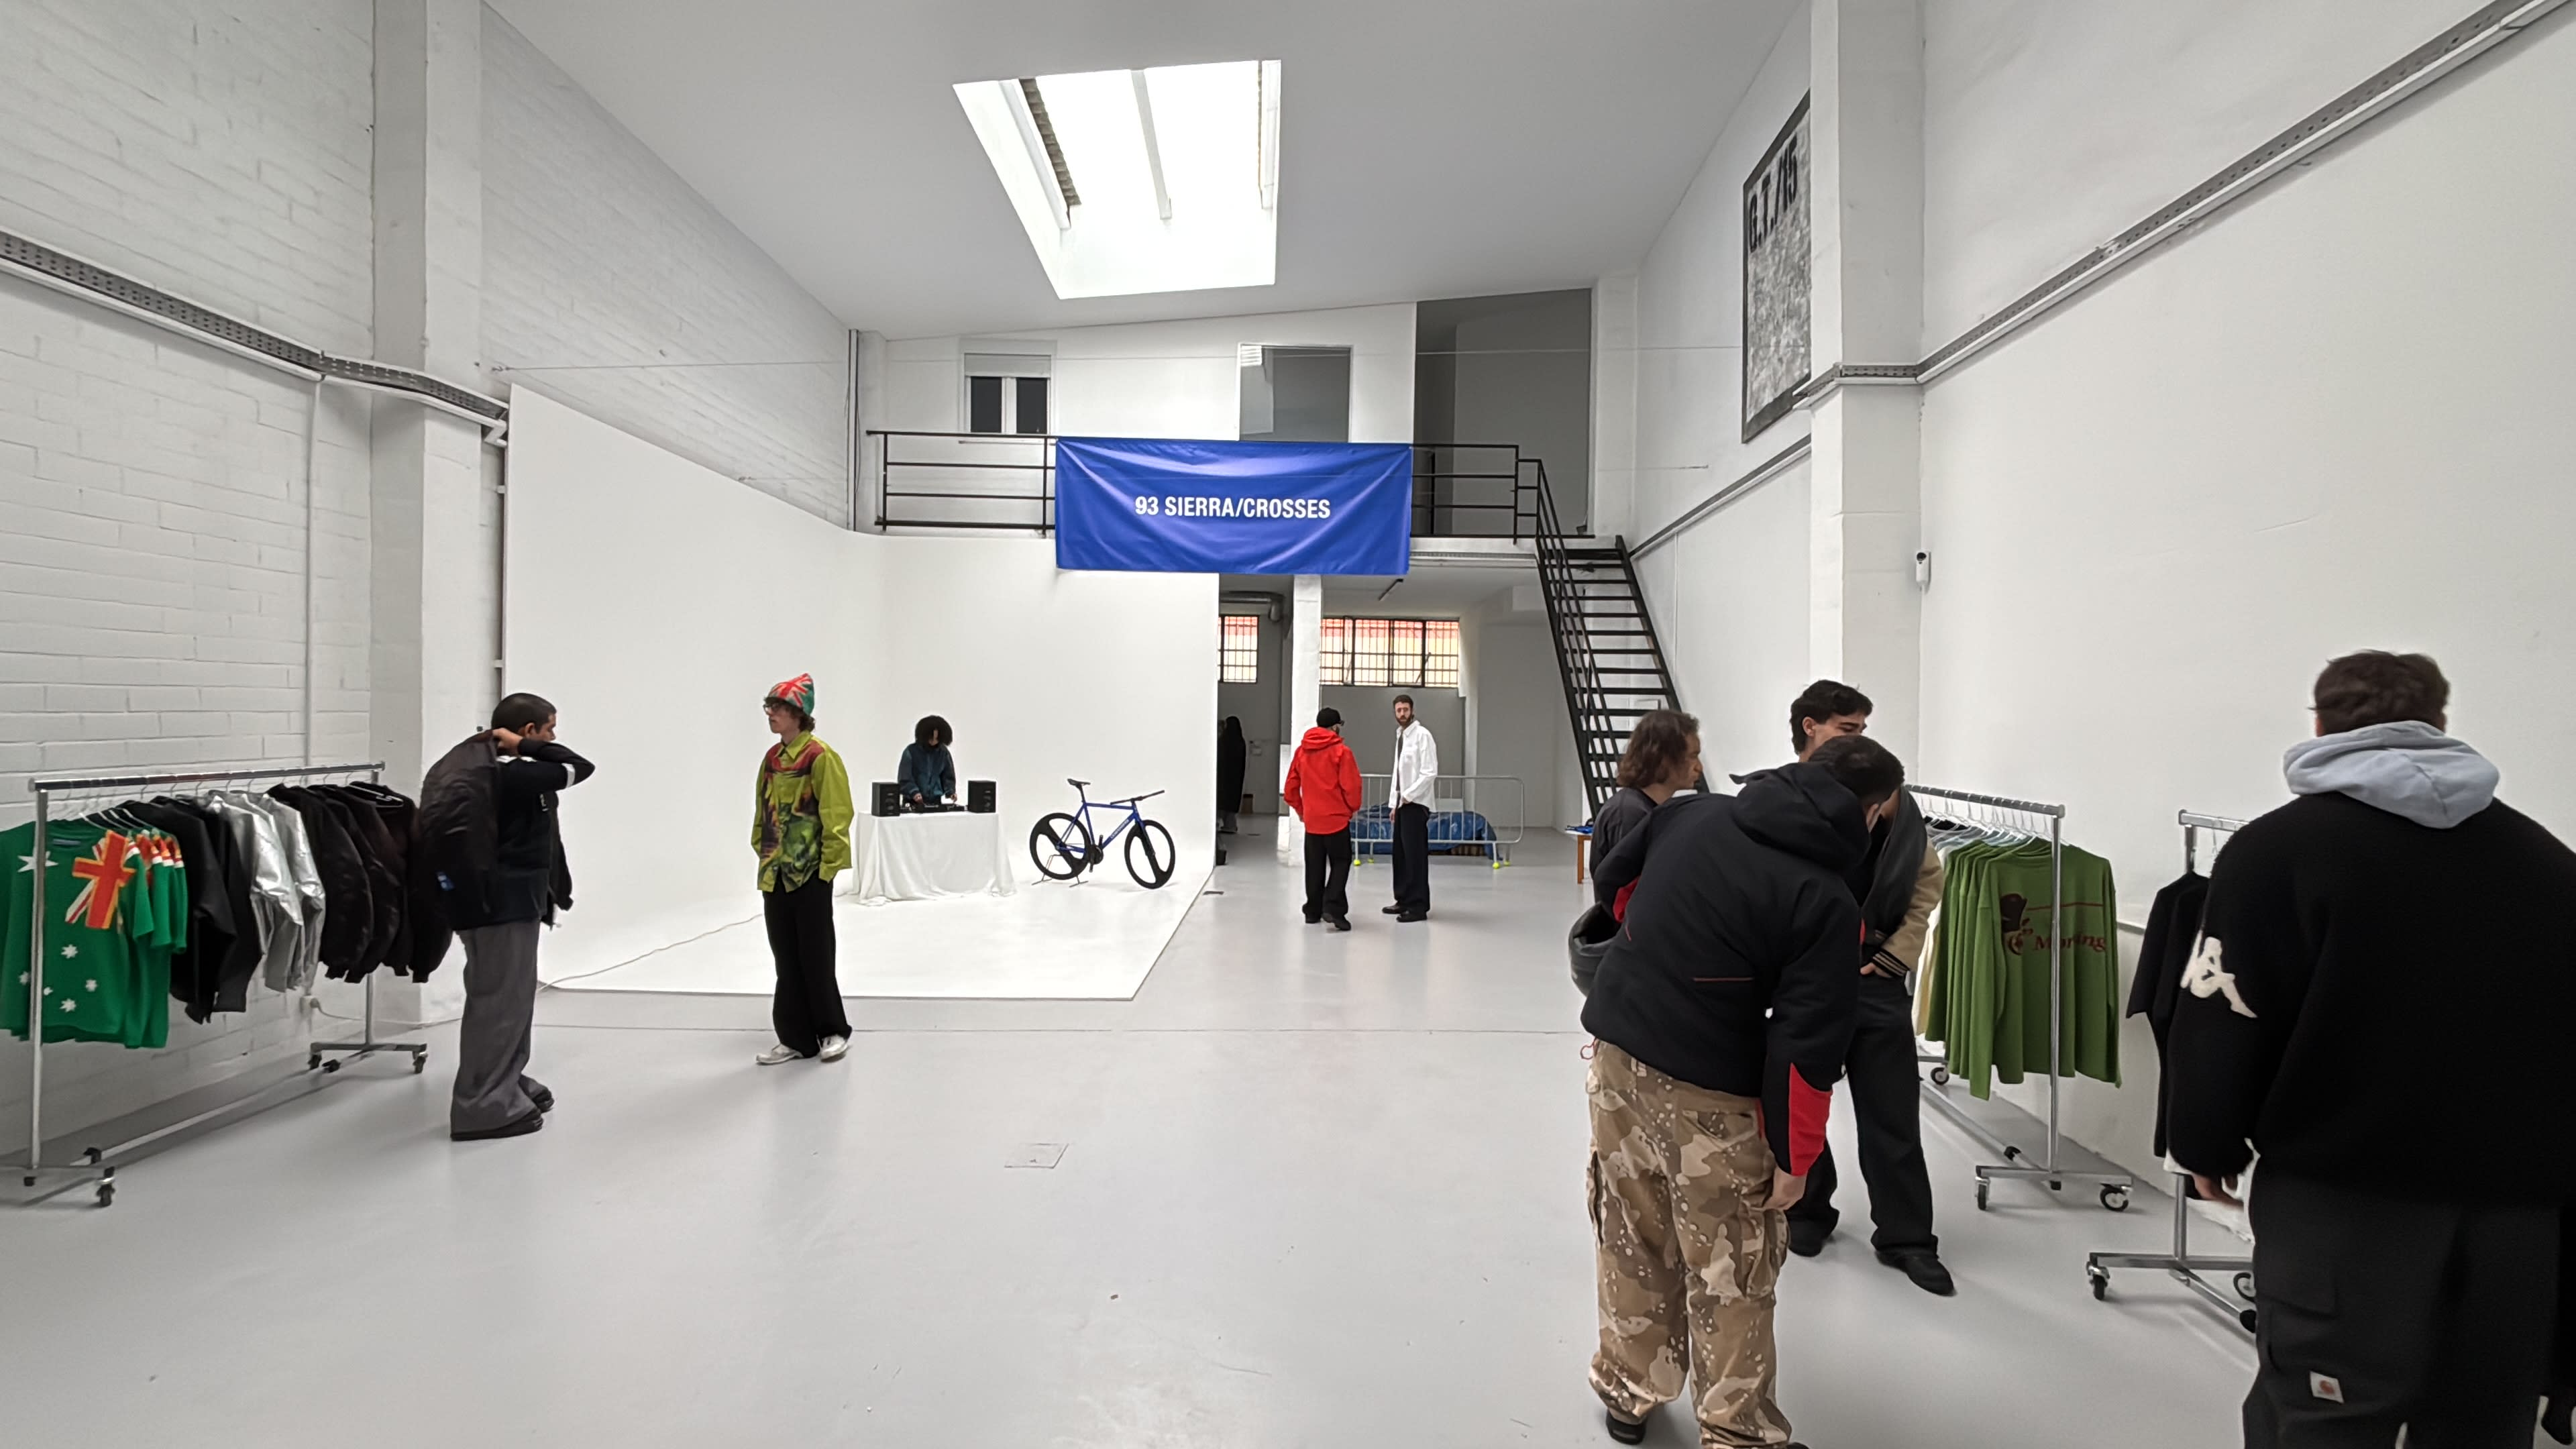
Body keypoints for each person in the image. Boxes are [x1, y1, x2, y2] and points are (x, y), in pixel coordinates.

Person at [2167, 651, 2576, 1447]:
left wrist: (2203, 1142)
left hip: (2348, 1205)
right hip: (2520, 1218)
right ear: (2441, 727)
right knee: (2484, 1420)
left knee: (2327, 1417)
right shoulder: (2548, 863)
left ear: (2318, 725)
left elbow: (2226, 1013)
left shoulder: (2277, 852)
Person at [1581, 734, 1907, 1448]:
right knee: (1731, 1264)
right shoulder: (1823, 899)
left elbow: (1615, 883)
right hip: (1714, 1098)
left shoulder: (1692, 814)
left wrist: (1673, 951)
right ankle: (1737, 1431)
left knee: (1633, 1232)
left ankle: (1628, 1391)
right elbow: (1805, 1046)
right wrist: (1796, 1161)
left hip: (1618, 1060)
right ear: (1875, 811)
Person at [1777, 680, 1953, 1295]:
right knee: (1799, 1102)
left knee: (1891, 1110)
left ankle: (1907, 1238)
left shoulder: (1894, 801)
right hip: (1800, 979)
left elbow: (1926, 882)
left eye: (1862, 729)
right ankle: (1806, 1211)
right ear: (1810, 727)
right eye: (1847, 729)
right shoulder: (1777, 797)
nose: (1860, 738)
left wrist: (1894, 957)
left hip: (1874, 978)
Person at [445, 692, 594, 1142]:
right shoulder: (506, 775)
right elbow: (577, 767)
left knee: (508, 1000)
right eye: (548, 729)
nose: (553, 737)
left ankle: (504, 1081)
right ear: (528, 731)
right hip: (501, 905)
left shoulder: (493, 773)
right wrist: (522, 746)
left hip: (503, 902)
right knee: (499, 1004)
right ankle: (481, 1104)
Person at [753, 674, 856, 1066]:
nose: (771, 715)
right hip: (775, 872)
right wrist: (762, 853)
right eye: (769, 708)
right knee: (785, 956)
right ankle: (796, 1037)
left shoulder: (820, 757)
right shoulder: (772, 758)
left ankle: (832, 1029)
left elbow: (837, 813)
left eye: (777, 708)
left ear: (799, 714)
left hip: (810, 871)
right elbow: (761, 808)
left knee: (816, 953)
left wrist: (828, 867)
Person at [1590, 708, 1701, 905]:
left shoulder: (1649, 810)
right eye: (1692, 756)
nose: (1698, 766)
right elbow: (1629, 898)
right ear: (1663, 759)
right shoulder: (1629, 814)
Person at [1282, 706, 1362, 932]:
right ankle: (1333, 907)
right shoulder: (1342, 752)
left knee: (1314, 867)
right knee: (1341, 862)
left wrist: (1303, 810)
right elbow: (1352, 786)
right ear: (1336, 726)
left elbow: (1290, 790)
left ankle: (1313, 911)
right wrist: (1351, 808)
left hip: (1313, 822)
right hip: (1336, 820)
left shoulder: (1301, 752)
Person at [1386, 692, 1438, 922]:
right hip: (1402, 805)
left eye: (1405, 709)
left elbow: (1430, 772)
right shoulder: (1400, 737)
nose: (1402, 714)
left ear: (1412, 710)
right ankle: (1403, 899)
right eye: (1398, 710)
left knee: (1415, 856)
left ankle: (1418, 907)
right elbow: (1397, 775)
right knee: (1400, 855)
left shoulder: (1422, 736)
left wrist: (1408, 796)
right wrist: (1393, 804)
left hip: (1416, 805)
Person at [898, 714, 955, 812]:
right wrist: (914, 792)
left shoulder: (943, 753)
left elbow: (948, 775)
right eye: (931, 738)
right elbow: (905, 777)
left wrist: (951, 792)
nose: (934, 742)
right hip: (913, 802)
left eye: (937, 739)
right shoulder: (911, 751)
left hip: (936, 801)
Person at [1217, 716, 1247, 836]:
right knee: (1232, 801)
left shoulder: (1225, 741)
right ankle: (1231, 825)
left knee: (1223, 800)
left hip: (1224, 777)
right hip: (1237, 777)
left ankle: (1226, 825)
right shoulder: (1240, 741)